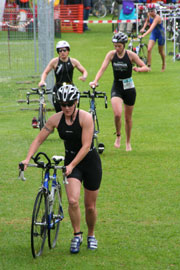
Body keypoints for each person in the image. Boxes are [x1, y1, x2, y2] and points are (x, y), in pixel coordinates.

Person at [21, 84, 102, 254]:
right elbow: (38, 140)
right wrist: (27, 159)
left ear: (76, 102)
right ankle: (77, 235)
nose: (66, 107)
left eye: (69, 104)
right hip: (71, 162)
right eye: (62, 104)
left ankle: (91, 235)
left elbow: (87, 146)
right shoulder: (55, 119)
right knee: (73, 200)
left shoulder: (86, 118)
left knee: (90, 206)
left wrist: (71, 165)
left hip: (90, 162)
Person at [90, 32, 149, 151]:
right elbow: (102, 68)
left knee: (128, 118)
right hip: (117, 86)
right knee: (117, 113)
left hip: (129, 88)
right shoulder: (111, 55)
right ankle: (118, 135)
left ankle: (128, 142)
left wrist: (139, 69)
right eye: (115, 46)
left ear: (124, 45)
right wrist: (95, 80)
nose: (117, 48)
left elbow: (146, 67)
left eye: (119, 46)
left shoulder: (131, 55)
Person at [38, 40, 88, 112]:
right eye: (60, 51)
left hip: (70, 88)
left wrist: (84, 76)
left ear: (68, 51)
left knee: (71, 110)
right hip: (58, 88)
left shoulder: (73, 61)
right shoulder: (54, 62)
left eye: (64, 50)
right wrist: (42, 80)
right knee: (59, 112)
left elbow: (84, 71)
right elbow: (45, 72)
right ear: (58, 52)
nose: (62, 52)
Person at [139, 3, 166, 72]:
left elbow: (151, 28)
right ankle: (149, 66)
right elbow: (146, 21)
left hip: (160, 35)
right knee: (149, 49)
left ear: (155, 10)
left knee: (160, 51)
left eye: (153, 11)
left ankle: (163, 64)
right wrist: (143, 27)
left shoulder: (157, 18)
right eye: (150, 11)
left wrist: (143, 35)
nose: (151, 12)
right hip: (154, 33)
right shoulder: (149, 15)